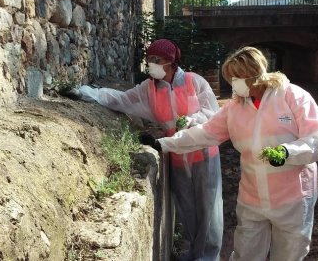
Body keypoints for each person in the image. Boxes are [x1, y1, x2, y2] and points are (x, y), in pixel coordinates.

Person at [146, 46, 318, 261]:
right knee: (245, 254)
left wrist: (287, 152)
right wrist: (163, 144)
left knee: (289, 254)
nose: (233, 83)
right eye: (231, 78)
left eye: (236, 77)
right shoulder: (234, 108)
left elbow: (317, 141)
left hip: (292, 197)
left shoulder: (293, 97)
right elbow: (204, 133)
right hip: (253, 197)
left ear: (253, 75)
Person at [63, 39, 224, 261]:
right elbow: (119, 99)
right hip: (176, 154)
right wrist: (84, 92)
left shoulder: (193, 82)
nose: (151, 64)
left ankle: (208, 257)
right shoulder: (149, 89)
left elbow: (213, 114)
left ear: (169, 61)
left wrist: (191, 120)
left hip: (204, 153)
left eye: (155, 60)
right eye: (149, 59)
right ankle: (195, 253)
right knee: (187, 209)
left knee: (210, 210)